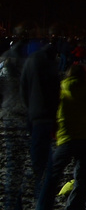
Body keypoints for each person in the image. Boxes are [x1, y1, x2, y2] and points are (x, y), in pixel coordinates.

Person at [50, 63, 86, 210]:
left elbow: (52, 111)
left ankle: (45, 203)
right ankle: (73, 207)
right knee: (82, 178)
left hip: (66, 137)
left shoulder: (61, 90)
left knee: (52, 174)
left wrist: (54, 132)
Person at [20, 40, 59, 210]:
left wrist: (29, 108)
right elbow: (54, 92)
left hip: (33, 115)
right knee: (44, 166)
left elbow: (24, 87)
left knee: (38, 159)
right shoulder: (49, 64)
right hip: (45, 116)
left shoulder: (31, 61)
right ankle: (41, 201)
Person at [2, 37, 29, 210]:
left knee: (13, 163)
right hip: (22, 116)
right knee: (18, 165)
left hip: (8, 114)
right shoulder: (27, 67)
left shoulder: (4, 65)